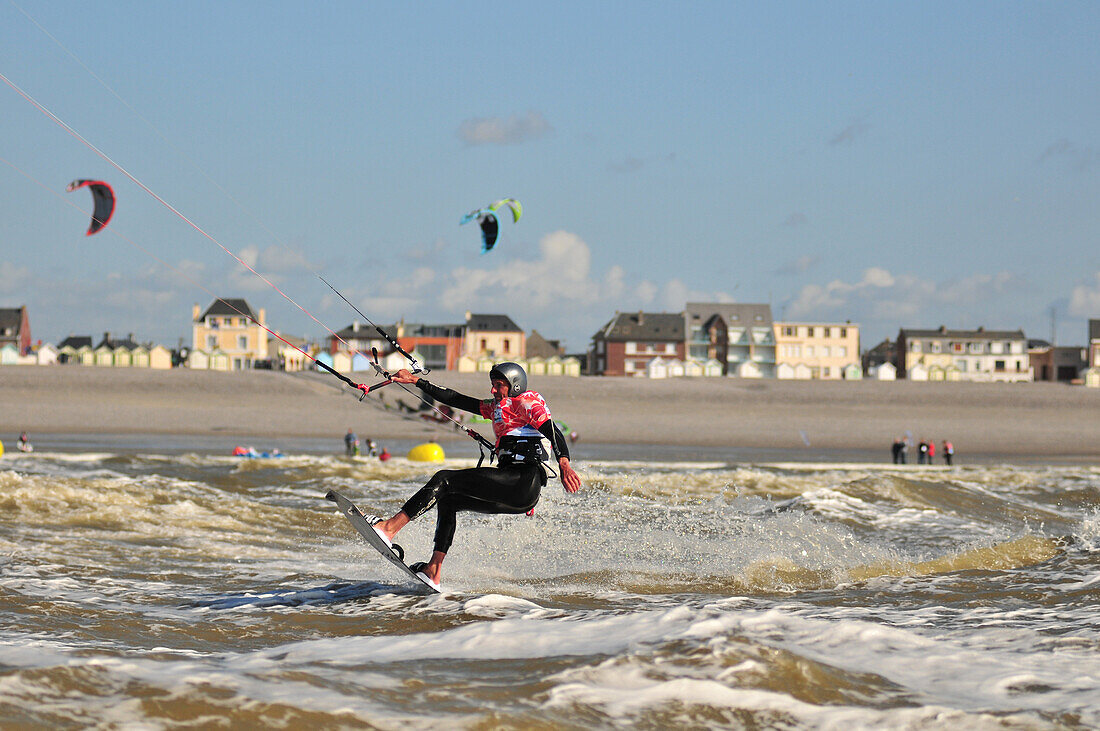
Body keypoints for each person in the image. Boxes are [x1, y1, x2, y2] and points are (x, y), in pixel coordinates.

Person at [364, 362, 581, 590]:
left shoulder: (526, 401)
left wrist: (564, 463)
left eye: (499, 385)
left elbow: (552, 430)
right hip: (516, 490)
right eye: (492, 385)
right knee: (448, 500)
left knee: (443, 479)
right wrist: (416, 380)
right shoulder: (497, 407)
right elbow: (457, 399)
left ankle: (388, 528)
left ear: (515, 386)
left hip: (523, 480)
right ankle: (433, 570)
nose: (493, 390)